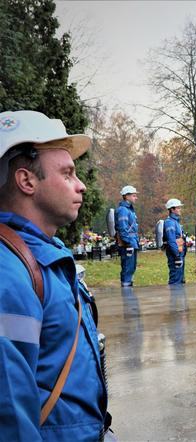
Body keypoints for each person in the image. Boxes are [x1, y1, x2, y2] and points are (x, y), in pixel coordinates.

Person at [0, 110, 108, 439]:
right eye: (68, 173)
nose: (81, 185)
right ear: (27, 180)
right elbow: (10, 416)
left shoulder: (42, 254)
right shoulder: (7, 274)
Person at [116, 185, 139, 287]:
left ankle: (128, 287)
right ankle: (126, 292)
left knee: (131, 268)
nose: (136, 197)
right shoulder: (123, 210)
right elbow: (122, 228)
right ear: (126, 196)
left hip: (132, 242)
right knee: (127, 268)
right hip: (127, 244)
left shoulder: (129, 210)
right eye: (134, 195)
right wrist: (128, 242)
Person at [164, 198, 186, 284]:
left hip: (179, 253)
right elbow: (171, 240)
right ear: (172, 209)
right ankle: (175, 297)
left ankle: (178, 297)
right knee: (175, 280)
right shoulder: (170, 222)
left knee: (180, 279)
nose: (180, 209)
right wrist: (177, 255)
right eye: (178, 208)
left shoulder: (175, 222)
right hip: (175, 254)